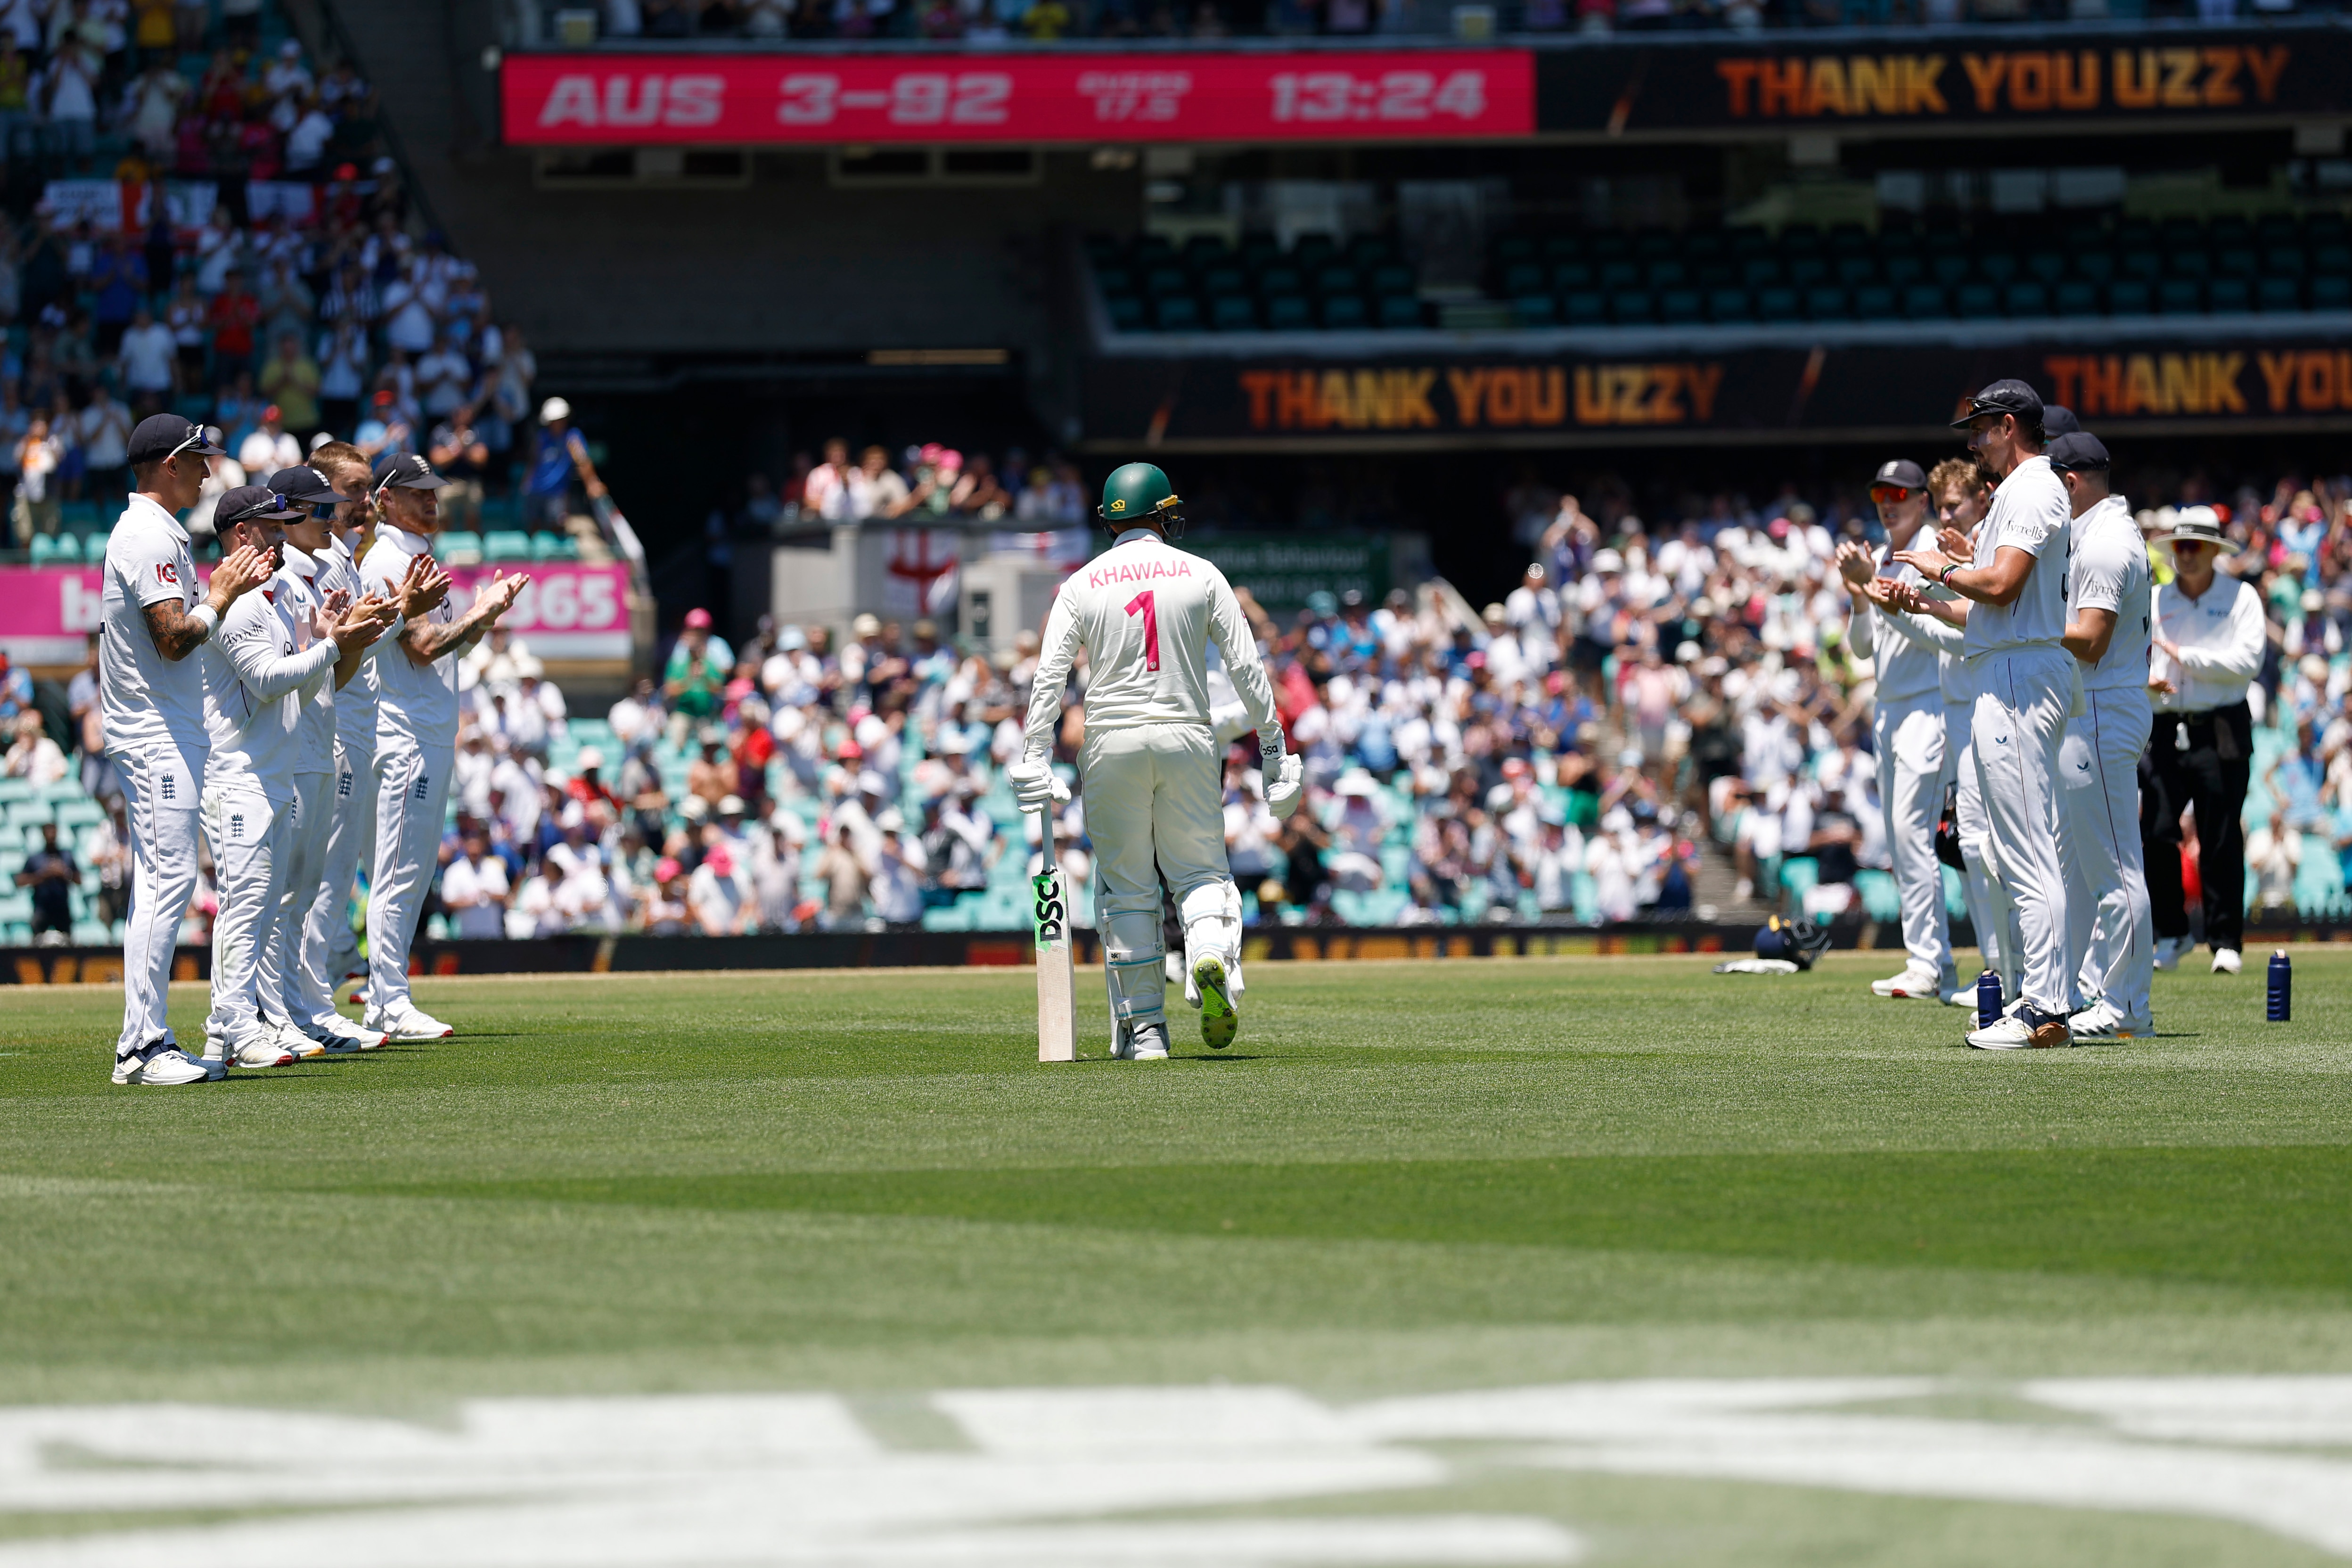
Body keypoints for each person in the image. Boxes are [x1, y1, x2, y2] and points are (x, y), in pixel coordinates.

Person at [1009, 461, 1302, 1060]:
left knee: (1127, 888)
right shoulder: (1201, 573)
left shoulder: (1082, 583)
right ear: (1163, 514)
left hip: (1110, 739)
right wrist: (1274, 749)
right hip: (1186, 734)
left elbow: (1049, 677)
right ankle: (1209, 957)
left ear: (1109, 519)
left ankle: (1145, 1032)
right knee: (1198, 872)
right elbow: (1247, 669)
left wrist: (1034, 754)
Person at [1892, 379, 2076, 1050]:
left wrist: (1943, 569)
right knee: (2014, 847)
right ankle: (2040, 995)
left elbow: (2001, 586)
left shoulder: (2030, 488)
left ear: (2006, 426)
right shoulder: (2019, 492)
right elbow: (1992, 594)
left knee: (2026, 848)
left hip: (2020, 670)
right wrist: (1950, 575)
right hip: (2010, 662)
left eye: (1979, 431)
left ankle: (2047, 1002)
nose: (1973, 445)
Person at [197, 485, 395, 1070]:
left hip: (273, 771)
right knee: (248, 902)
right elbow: (267, 681)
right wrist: (333, 645)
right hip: (238, 775)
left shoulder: (275, 598)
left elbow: (308, 688)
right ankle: (237, 1025)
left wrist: (330, 643)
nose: (284, 535)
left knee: (264, 904)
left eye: (287, 525)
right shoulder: (238, 603)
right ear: (241, 535)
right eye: (272, 527)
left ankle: (233, 1028)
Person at [102, 415, 273, 1085]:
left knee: (167, 877)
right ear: (169, 464)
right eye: (198, 459)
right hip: (153, 728)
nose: (209, 470)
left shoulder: (159, 531)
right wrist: (224, 595)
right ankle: (140, 1046)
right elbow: (174, 637)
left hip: (167, 725)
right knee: (166, 878)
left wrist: (227, 598)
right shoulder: (147, 533)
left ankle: (149, 1039)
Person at [359, 452, 528, 1041]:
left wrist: (486, 615)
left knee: (411, 868)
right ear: (384, 500)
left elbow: (438, 649)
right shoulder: (389, 558)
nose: (430, 500)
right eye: (415, 491)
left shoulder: (416, 555)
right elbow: (423, 647)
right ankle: (386, 1000)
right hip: (405, 732)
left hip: (426, 728)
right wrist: (484, 612)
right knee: (400, 869)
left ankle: (386, 995)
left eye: (432, 490)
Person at [1834, 458, 1956, 1003]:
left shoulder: (1933, 552)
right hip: (1890, 708)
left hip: (1929, 704)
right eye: (1881, 494)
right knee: (1900, 836)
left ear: (1920, 501)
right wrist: (1860, 594)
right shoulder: (1881, 556)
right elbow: (1861, 647)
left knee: (1913, 832)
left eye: (1899, 495)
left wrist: (1874, 590)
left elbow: (1937, 633)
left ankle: (1929, 963)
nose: (1888, 503)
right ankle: (1929, 962)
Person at [2049, 433, 2155, 1041]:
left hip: (2100, 708)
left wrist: (2029, 626)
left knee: (2114, 869)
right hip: (2093, 707)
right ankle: (2103, 992)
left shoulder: (2106, 541)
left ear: (2068, 482)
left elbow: (2088, 639)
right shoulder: (2096, 532)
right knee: (2096, 868)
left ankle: (2124, 1006)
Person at [2143, 505, 2265, 977]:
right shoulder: (2153, 600)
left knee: (2218, 833)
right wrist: (2147, 681)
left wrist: (2183, 656)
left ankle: (2223, 940)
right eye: (2179, 547)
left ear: (2213, 551)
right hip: (2164, 724)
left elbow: (2246, 662)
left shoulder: (2240, 598)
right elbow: (2137, 659)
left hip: (2221, 727)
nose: (2185, 556)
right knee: (2154, 828)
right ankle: (2171, 933)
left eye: (2193, 547)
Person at [1921, 458, 2010, 1005]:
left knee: (1988, 841)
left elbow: (1976, 633)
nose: (1945, 515)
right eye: (1940, 507)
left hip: (1986, 702)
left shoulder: (1988, 551)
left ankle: (2008, 972)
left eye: (1954, 504)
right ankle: (1995, 970)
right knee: (1971, 843)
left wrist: (1918, 604)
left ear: (1981, 500)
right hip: (1959, 711)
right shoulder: (1960, 551)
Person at [16, 819, 76, 944]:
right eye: (48, 832)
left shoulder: (66, 856)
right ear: (43, 835)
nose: (51, 836)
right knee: (37, 941)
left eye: (53, 832)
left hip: (62, 907)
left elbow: (79, 879)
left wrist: (64, 873)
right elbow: (20, 881)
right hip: (42, 907)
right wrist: (43, 875)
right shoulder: (36, 858)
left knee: (68, 943)